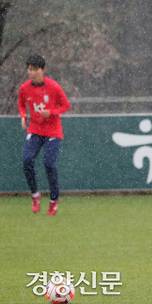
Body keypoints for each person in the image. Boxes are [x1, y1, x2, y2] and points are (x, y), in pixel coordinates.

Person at [17, 54, 71, 216]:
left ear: (42, 70)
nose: (31, 72)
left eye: (34, 69)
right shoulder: (24, 88)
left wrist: (52, 112)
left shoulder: (53, 87)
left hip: (53, 131)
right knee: (27, 160)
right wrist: (23, 116)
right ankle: (35, 196)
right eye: (29, 69)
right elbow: (21, 103)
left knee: (49, 164)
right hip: (35, 129)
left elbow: (66, 106)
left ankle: (53, 201)